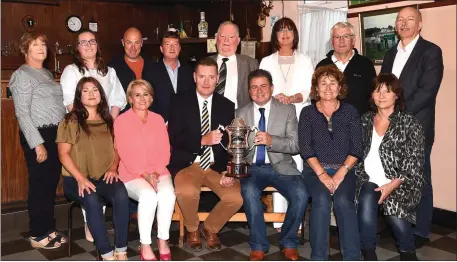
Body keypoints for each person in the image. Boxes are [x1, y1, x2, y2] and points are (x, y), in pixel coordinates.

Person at [380, 7, 444, 248]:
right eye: (400, 19)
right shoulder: (390, 53)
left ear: (419, 25)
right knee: (393, 175)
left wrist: (395, 114)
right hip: (389, 125)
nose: (404, 24)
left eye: (410, 19)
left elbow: (427, 92)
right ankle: (398, 223)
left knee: (419, 179)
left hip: (417, 126)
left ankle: (422, 229)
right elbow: (384, 88)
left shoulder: (431, 52)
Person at [167, 57, 243, 251]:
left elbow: (230, 143)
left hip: (216, 165)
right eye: (202, 76)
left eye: (211, 77)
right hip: (188, 162)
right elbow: (175, 137)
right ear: (194, 77)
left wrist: (229, 170)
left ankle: (209, 228)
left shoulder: (227, 105)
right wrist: (202, 140)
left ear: (218, 78)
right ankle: (192, 229)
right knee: (186, 191)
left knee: (235, 198)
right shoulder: (179, 101)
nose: (206, 81)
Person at [60, 29, 127, 241]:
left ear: (97, 45)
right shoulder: (71, 71)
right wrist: (83, 123)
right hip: (80, 128)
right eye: (83, 42)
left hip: (104, 126)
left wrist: (110, 124)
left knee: (104, 171)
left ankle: (97, 221)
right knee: (85, 173)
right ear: (77, 48)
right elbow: (71, 101)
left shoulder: (109, 71)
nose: (88, 45)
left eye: (91, 41)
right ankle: (92, 223)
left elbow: (117, 98)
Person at [237, 69, 309, 261]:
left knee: (301, 195)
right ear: (249, 90)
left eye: (263, 86)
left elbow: (296, 145)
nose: (259, 91)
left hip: (282, 166)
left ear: (272, 88)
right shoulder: (240, 113)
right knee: (250, 193)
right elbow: (237, 148)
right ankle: (259, 245)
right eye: (254, 87)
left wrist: (271, 141)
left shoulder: (287, 110)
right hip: (252, 168)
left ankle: (289, 241)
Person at [57, 77, 130, 261]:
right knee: (92, 198)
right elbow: (63, 154)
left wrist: (113, 167)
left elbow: (117, 148)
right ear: (79, 97)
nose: (91, 94)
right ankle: (106, 254)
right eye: (86, 90)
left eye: (95, 89)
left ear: (101, 95)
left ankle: (121, 250)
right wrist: (81, 179)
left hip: (103, 176)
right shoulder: (70, 121)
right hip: (75, 179)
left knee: (121, 193)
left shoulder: (109, 121)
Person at [356, 73, 425, 261]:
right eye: (378, 90)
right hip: (368, 178)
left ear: (397, 95)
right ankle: (369, 253)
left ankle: (408, 253)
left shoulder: (409, 123)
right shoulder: (364, 120)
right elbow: (355, 152)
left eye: (388, 91)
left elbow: (414, 162)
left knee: (395, 214)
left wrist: (392, 185)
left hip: (401, 181)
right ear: (371, 94)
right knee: (367, 198)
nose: (382, 95)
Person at [9, 32, 66, 249]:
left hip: (54, 135)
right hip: (38, 135)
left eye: (43, 43)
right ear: (25, 50)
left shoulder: (47, 73)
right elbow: (22, 113)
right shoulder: (22, 75)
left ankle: (49, 228)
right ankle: (37, 233)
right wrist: (37, 143)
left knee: (50, 184)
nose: (41, 48)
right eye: (35, 44)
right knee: (39, 184)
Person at [299, 65, 363, 260]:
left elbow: (357, 148)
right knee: (321, 201)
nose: (328, 88)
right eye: (323, 83)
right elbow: (306, 149)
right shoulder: (307, 113)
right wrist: (323, 175)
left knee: (344, 202)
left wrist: (339, 174)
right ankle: (319, 257)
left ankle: (352, 257)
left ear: (340, 87)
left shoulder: (350, 112)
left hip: (344, 170)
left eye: (332, 83)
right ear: (316, 89)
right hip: (315, 171)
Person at [259, 17, 314, 231]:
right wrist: (275, 98)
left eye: (289, 30)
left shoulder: (306, 60)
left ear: (295, 35)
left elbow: (310, 90)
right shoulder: (266, 61)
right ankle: (279, 217)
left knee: (297, 165)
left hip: (300, 114)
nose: (285, 34)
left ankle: (296, 218)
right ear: (275, 35)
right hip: (274, 115)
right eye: (280, 30)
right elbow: (261, 90)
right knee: (278, 163)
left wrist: (292, 98)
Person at [114, 79, 176, 261]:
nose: (142, 98)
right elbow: (123, 152)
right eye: (137, 95)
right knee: (148, 196)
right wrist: (144, 174)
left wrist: (155, 172)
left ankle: (163, 240)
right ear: (130, 98)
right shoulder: (121, 121)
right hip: (131, 173)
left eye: (146, 94)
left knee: (168, 194)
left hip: (158, 170)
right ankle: (146, 244)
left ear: (151, 98)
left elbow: (165, 149)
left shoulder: (158, 119)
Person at [316, 22, 376, 116]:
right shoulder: (322, 66)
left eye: (346, 36)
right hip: (328, 125)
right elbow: (315, 98)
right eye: (337, 37)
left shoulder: (366, 64)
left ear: (353, 40)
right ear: (332, 41)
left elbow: (373, 97)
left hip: (360, 124)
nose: (341, 41)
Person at [210, 21, 259, 109]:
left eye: (231, 37)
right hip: (209, 117)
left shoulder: (251, 64)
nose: (226, 40)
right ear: (216, 38)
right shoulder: (205, 63)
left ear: (238, 40)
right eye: (222, 36)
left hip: (239, 119)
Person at [149, 30, 195, 123]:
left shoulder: (190, 71)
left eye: (175, 44)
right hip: (160, 125)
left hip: (186, 126)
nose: (172, 48)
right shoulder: (151, 72)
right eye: (168, 44)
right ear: (161, 49)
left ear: (180, 48)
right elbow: (148, 101)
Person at [108, 27, 156, 114]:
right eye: (129, 42)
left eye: (137, 43)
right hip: (123, 119)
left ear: (141, 43)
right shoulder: (112, 67)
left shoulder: (152, 65)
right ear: (123, 43)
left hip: (149, 118)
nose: (133, 47)